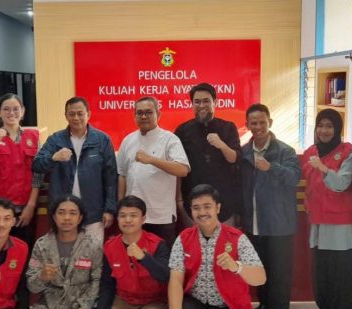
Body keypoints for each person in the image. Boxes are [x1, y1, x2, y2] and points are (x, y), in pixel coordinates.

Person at [160, 184, 265, 309]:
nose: (201, 212)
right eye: (196, 207)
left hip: (228, 307)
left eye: (207, 206)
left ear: (217, 208)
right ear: (191, 211)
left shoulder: (237, 238)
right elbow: (175, 279)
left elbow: (260, 277)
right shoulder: (183, 238)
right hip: (196, 305)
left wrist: (237, 267)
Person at [11, 195, 102, 309]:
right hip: (48, 307)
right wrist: (42, 277)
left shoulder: (92, 246)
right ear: (53, 217)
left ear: (80, 217)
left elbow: (96, 282)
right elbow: (31, 285)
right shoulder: (42, 245)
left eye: (72, 213)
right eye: (61, 213)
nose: (66, 218)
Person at [240, 104, 301, 309]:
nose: (258, 127)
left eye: (262, 122)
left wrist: (270, 167)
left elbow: (294, 177)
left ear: (270, 123)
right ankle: (265, 305)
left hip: (279, 224)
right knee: (260, 269)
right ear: (247, 125)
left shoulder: (285, 151)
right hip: (254, 223)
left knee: (279, 272)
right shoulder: (245, 152)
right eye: (253, 123)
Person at [302, 109, 352, 309]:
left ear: (338, 129)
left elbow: (342, 183)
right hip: (317, 221)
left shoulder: (348, 152)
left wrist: (324, 169)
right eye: (320, 125)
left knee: (342, 272)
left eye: (330, 126)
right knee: (322, 270)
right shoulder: (311, 152)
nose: (324, 130)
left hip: (340, 223)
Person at [95, 195, 171, 309]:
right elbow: (107, 285)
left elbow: (165, 276)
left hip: (152, 301)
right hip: (124, 300)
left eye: (133, 215)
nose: (127, 220)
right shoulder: (110, 246)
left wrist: (145, 258)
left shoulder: (157, 244)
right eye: (123, 215)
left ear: (143, 219)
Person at [33, 96, 118, 242]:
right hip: (63, 213)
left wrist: (109, 210)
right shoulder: (55, 140)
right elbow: (37, 165)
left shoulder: (102, 140)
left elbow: (111, 179)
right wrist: (54, 157)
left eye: (80, 113)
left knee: (92, 256)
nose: (76, 118)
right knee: (63, 255)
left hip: (93, 211)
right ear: (65, 116)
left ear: (88, 114)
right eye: (71, 114)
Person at [116, 96, 190, 246]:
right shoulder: (128, 140)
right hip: (133, 217)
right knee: (134, 261)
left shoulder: (170, 139)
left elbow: (183, 170)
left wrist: (152, 160)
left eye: (148, 112)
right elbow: (122, 174)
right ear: (134, 115)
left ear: (158, 114)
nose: (143, 116)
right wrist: (120, 204)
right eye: (139, 113)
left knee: (160, 263)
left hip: (160, 216)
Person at [0, 93, 42, 248]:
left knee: (24, 250)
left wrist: (31, 206)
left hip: (24, 209)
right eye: (6, 109)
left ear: (22, 111)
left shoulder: (34, 137)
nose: (11, 113)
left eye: (16, 109)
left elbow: (38, 175)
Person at [175, 83, 241, 225]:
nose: (202, 105)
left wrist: (222, 145)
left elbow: (234, 158)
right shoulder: (182, 130)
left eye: (206, 101)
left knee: (225, 246)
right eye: (197, 102)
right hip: (192, 203)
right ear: (192, 104)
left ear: (214, 102)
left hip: (224, 203)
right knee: (194, 246)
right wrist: (179, 199)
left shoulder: (228, 127)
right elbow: (177, 168)